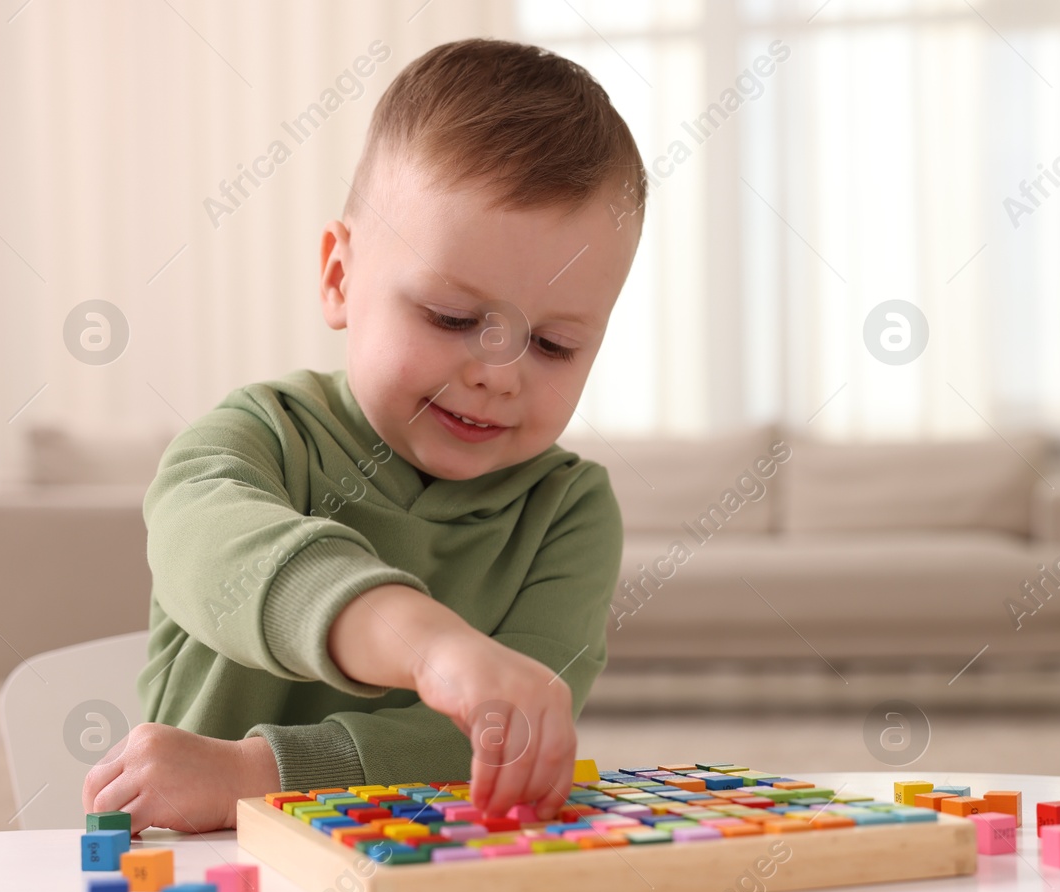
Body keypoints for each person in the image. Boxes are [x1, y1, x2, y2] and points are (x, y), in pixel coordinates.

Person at [82, 39, 643, 832]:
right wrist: (429, 648)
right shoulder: (255, 438)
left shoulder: (570, 510)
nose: (498, 373)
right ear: (340, 277)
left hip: (429, 878)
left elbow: (501, 755)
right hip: (207, 866)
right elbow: (211, 554)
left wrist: (257, 773)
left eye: (554, 345)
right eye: (452, 318)